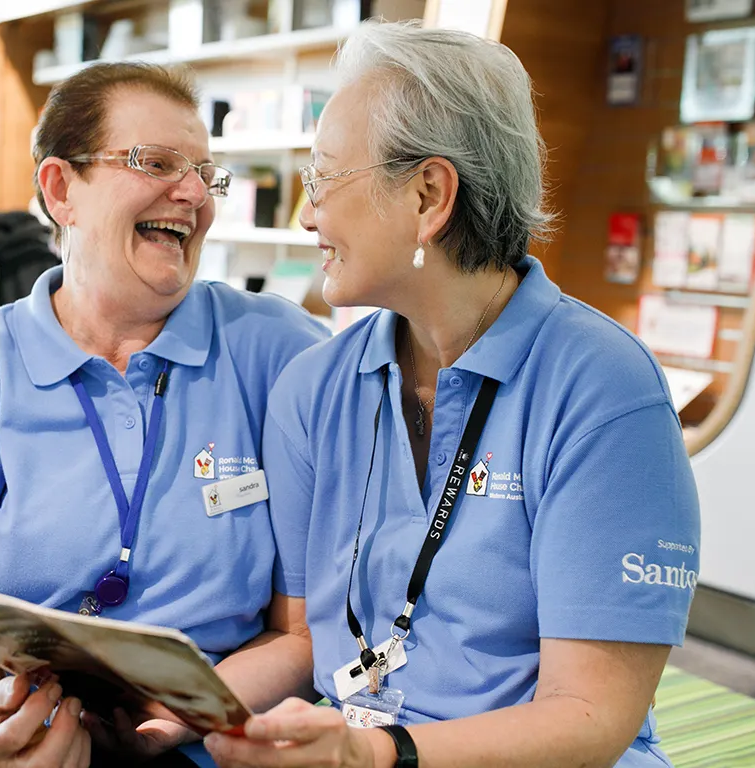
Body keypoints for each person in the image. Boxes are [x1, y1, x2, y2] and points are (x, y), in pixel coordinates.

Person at [204, 22, 700, 768]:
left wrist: (374, 755)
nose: (307, 215)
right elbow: (304, 640)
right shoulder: (313, 388)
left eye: (323, 179)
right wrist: (173, 707)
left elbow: (591, 717)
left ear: (429, 195)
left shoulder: (604, 388)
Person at [0, 62, 329, 768]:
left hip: (213, 722)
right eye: (155, 162)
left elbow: (300, 631)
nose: (192, 194)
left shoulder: (281, 352)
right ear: (62, 190)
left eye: (206, 175)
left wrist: (181, 716)